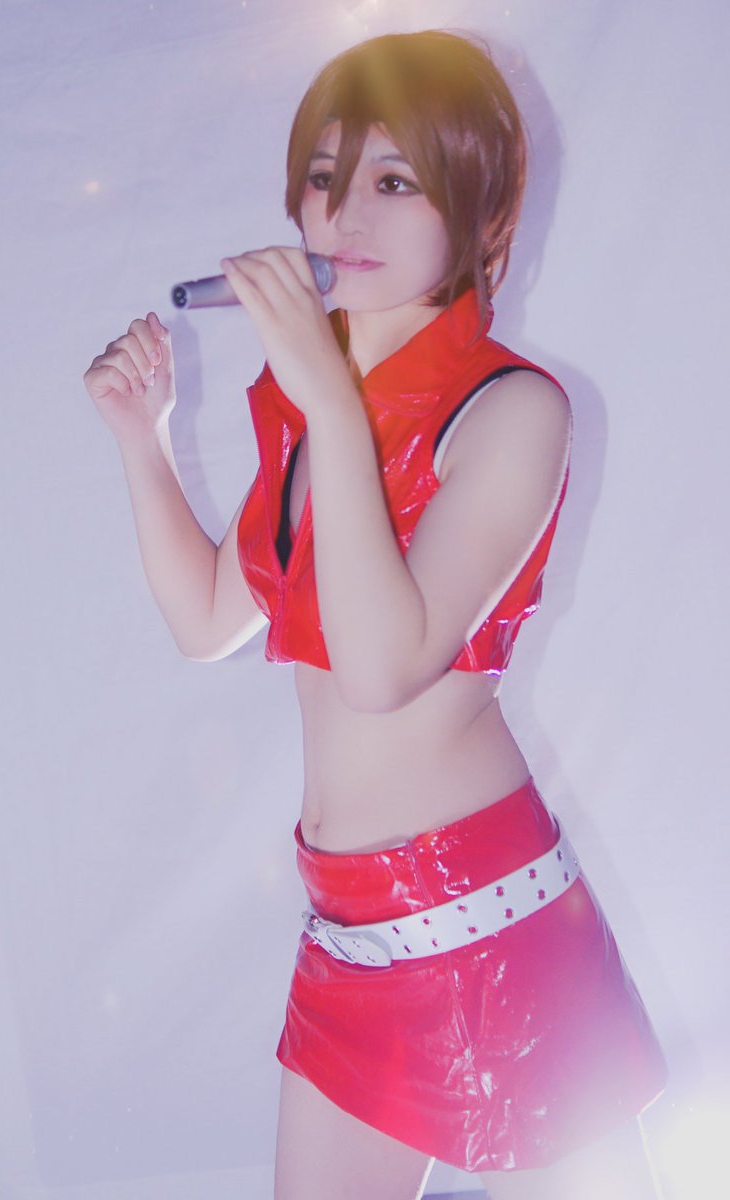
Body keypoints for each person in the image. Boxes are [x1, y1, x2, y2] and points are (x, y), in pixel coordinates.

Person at [83, 30, 667, 1200]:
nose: (344, 212)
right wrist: (143, 442)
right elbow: (210, 620)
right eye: (325, 175)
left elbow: (385, 663)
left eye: (395, 181)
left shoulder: (513, 411)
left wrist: (325, 396)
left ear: (481, 212)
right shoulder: (314, 412)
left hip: (491, 926)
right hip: (345, 931)